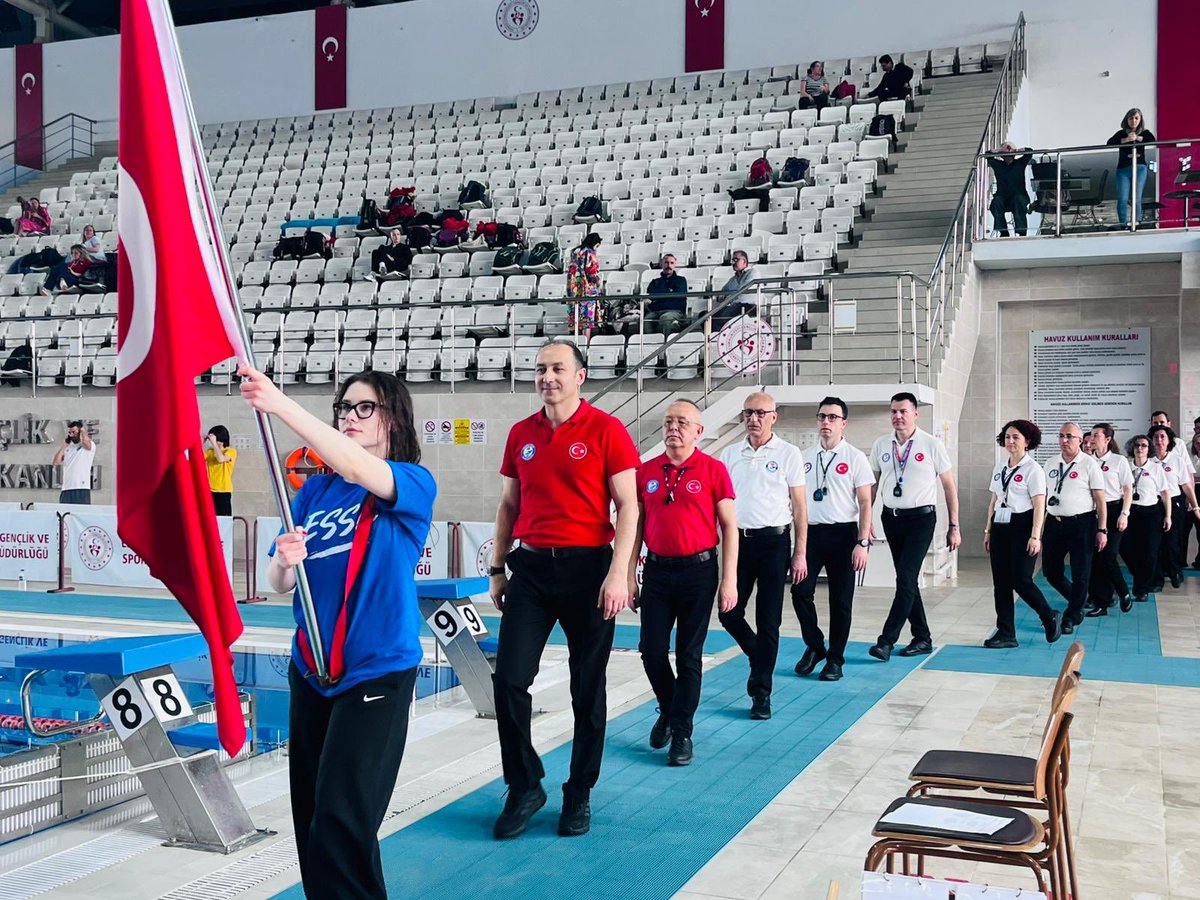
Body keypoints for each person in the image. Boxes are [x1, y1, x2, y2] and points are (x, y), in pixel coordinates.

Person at [239, 364, 435, 900]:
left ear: (393, 417)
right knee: (314, 824)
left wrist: (280, 405)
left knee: (341, 823)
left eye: (363, 408)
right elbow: (279, 583)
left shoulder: (410, 484)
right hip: (313, 670)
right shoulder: (313, 494)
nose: (350, 417)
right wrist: (282, 561)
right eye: (344, 409)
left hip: (375, 673)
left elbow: (355, 463)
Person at [488, 339, 639, 840]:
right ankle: (525, 784)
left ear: (580, 375)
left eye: (558, 368)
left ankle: (580, 790)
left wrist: (620, 572)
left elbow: (629, 507)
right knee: (508, 680)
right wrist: (497, 568)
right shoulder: (520, 434)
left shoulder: (607, 430)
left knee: (586, 688)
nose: (547, 376)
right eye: (540, 369)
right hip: (530, 570)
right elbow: (509, 505)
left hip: (589, 571)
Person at [633, 400, 738, 766]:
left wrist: (730, 581)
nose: (673, 428)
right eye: (668, 422)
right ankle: (669, 707)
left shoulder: (713, 470)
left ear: (698, 431)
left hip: (699, 572)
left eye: (682, 422)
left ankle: (681, 733)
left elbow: (729, 527)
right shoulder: (644, 472)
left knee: (689, 655)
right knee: (651, 649)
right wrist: (629, 574)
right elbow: (635, 527)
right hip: (658, 573)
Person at [717, 392, 807, 719]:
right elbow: (721, 503)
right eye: (748, 413)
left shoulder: (788, 453)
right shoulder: (729, 454)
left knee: (769, 621)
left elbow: (799, 508)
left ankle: (761, 692)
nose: (753, 419)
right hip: (738, 544)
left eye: (760, 413)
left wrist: (800, 553)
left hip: (775, 544)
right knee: (728, 612)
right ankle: (758, 654)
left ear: (774, 416)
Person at [867, 393, 960, 661]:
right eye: (894, 411)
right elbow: (872, 485)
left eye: (903, 411)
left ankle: (886, 641)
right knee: (907, 581)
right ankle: (922, 637)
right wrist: (866, 522)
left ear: (915, 413)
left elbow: (949, 487)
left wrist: (954, 525)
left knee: (906, 579)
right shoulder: (882, 445)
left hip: (921, 519)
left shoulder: (931, 444)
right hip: (892, 518)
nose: (898, 416)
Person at [791, 397, 873, 681]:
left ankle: (835, 659)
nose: (826, 422)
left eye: (833, 418)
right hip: (811, 533)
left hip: (844, 534)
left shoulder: (855, 457)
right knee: (800, 592)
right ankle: (815, 646)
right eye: (822, 417)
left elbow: (865, 503)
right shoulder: (802, 457)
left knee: (840, 601)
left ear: (844, 424)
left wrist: (862, 543)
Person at [982, 420, 1062, 648]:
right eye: (1007, 437)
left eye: (1016, 437)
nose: (1011, 441)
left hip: (1023, 525)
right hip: (1000, 525)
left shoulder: (1033, 469)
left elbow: (1040, 505)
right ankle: (1006, 632)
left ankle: (1048, 615)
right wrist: (988, 530)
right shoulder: (1000, 468)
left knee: (1021, 579)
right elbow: (994, 500)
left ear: (1027, 441)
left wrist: (1036, 535)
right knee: (1001, 583)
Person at [1040, 423, 1107, 634]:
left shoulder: (1089, 464)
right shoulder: (1051, 463)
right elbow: (1042, 497)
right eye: (1060, 436)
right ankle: (1079, 598)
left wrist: (1102, 529)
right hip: (1054, 522)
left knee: (1081, 572)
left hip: (1082, 524)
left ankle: (1073, 614)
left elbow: (1100, 500)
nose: (1064, 440)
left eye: (1069, 436)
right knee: (1051, 572)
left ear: (1080, 440)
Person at [1085, 423, 1133, 617]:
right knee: (1095, 560)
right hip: (1092, 512)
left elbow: (1128, 489)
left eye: (1097, 435)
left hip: (1113, 511)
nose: (1092, 439)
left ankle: (1123, 591)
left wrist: (1125, 513)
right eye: (1091, 435)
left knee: (1108, 556)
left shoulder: (1119, 461)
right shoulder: (1086, 461)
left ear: (1107, 439)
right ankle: (1101, 603)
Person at [1149, 411, 1200, 584]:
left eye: (1163, 437)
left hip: (1175, 500)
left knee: (1173, 540)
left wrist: (1194, 504)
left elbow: (1187, 481)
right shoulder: (1146, 456)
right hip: (1153, 503)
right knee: (1154, 542)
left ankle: (1174, 571)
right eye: (1156, 436)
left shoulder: (1177, 455)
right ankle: (1157, 577)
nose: (1159, 440)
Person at [1121, 434, 1172, 604]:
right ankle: (1140, 576)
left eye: (1143, 445)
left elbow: (1165, 493)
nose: (1140, 448)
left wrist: (1168, 515)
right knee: (1127, 550)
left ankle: (1141, 589)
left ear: (1149, 449)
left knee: (1149, 553)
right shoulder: (1126, 466)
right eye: (1137, 445)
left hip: (1151, 513)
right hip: (1131, 512)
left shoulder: (1156, 468)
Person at [1105, 108, 1156, 226]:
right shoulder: (1121, 133)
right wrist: (1126, 139)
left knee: (1137, 197)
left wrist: (1137, 138)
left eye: (1136, 118)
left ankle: (1136, 223)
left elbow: (1152, 140)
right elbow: (1109, 143)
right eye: (1131, 118)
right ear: (1127, 120)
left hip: (1139, 167)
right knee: (1122, 198)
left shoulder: (1145, 133)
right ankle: (1123, 223)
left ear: (1140, 120)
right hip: (1123, 169)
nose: (1133, 120)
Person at [986, 144, 1034, 237]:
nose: (1008, 156)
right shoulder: (998, 165)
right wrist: (1000, 150)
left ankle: (1021, 232)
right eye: (1005, 154)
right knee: (995, 203)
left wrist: (1016, 150)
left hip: (1019, 196)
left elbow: (1029, 152)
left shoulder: (1019, 163)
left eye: (1010, 154)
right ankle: (1003, 231)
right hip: (1003, 197)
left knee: (1018, 201)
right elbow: (988, 155)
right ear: (1002, 156)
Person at [567, 233, 604, 337]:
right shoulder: (590, 253)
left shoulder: (575, 252)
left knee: (576, 318)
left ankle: (576, 344)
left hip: (573, 289)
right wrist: (598, 283)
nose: (597, 249)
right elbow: (592, 272)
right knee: (587, 319)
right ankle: (585, 345)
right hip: (586, 289)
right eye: (597, 246)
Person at [644, 253, 688, 335]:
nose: (669, 265)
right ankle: (650, 346)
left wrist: (659, 296)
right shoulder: (655, 282)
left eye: (671, 263)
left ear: (675, 265)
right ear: (661, 264)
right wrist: (669, 291)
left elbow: (679, 295)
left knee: (665, 318)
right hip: (656, 311)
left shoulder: (681, 280)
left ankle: (665, 345)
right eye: (666, 262)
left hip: (675, 311)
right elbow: (651, 294)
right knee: (646, 320)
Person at [52, 420, 95, 504]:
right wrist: (64, 447)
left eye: (74, 432)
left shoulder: (89, 445)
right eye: (69, 432)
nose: (71, 434)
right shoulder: (68, 447)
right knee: (64, 515)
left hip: (81, 488)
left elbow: (85, 443)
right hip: (66, 488)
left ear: (80, 431)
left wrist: (83, 432)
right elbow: (56, 462)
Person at [712, 250, 756, 329]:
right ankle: (714, 338)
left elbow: (743, 291)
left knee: (722, 316)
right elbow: (721, 293)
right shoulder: (733, 279)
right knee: (705, 315)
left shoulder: (753, 273)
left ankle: (718, 338)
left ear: (744, 261)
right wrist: (726, 296)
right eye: (732, 260)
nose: (733, 263)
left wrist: (727, 297)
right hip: (734, 306)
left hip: (749, 306)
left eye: (736, 260)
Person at [204, 425, 237, 517]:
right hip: (209, 491)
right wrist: (201, 442)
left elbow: (221, 459)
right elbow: (195, 459)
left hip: (223, 492)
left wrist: (214, 444)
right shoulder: (209, 452)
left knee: (223, 520)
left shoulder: (230, 451)